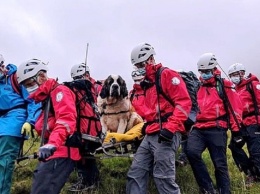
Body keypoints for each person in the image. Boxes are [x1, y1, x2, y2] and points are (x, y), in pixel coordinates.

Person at [126, 43, 192, 194]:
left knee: (163, 178)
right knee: (136, 173)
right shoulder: (145, 84)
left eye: (141, 64)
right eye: (136, 66)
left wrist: (170, 128)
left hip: (166, 134)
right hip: (151, 133)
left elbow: (183, 103)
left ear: (150, 60)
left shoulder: (167, 75)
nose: (139, 68)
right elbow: (146, 110)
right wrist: (138, 89)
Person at [17, 59, 81, 194]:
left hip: (61, 150)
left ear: (41, 76)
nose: (28, 88)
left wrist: (51, 144)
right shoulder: (46, 98)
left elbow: (66, 120)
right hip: (53, 150)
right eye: (25, 86)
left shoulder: (60, 92)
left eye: (29, 84)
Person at [186, 53, 243, 194]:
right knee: (191, 152)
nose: (204, 74)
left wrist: (236, 131)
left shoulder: (224, 85)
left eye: (206, 71)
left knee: (220, 164)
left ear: (213, 69)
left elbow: (235, 108)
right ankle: (207, 188)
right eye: (201, 72)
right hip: (199, 128)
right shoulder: (197, 87)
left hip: (217, 128)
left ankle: (224, 191)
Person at [0, 54, 40, 194]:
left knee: (5, 159)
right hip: (2, 120)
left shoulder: (16, 78)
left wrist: (30, 121)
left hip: (14, 119)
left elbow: (33, 100)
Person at [68, 63, 102, 192]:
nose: (78, 80)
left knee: (85, 154)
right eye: (75, 78)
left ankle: (89, 181)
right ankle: (88, 180)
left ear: (87, 74)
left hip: (93, 128)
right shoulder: (76, 89)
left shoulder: (97, 87)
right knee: (82, 154)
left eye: (80, 76)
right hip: (81, 127)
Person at [228, 63, 260, 186]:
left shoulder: (253, 84)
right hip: (240, 124)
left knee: (255, 151)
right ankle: (249, 172)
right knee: (234, 147)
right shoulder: (233, 89)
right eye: (231, 75)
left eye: (235, 74)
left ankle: (256, 174)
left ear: (242, 73)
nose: (233, 77)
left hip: (254, 123)